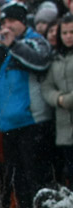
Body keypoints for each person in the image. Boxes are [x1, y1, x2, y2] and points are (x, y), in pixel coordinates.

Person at [0, 2, 54, 208]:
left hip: (32, 120)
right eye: (4, 22)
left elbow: (40, 63)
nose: (7, 26)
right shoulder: (2, 45)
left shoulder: (34, 41)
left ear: (23, 22)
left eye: (12, 22)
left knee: (35, 176)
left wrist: (14, 45)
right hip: (7, 124)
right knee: (17, 178)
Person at [43, 14, 73, 185]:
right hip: (64, 128)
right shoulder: (55, 59)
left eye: (72, 32)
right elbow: (46, 87)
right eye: (65, 33)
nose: (68, 36)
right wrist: (59, 99)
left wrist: (69, 99)